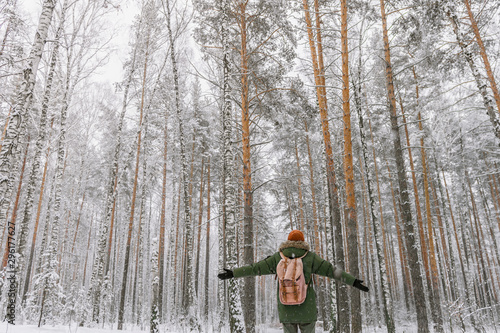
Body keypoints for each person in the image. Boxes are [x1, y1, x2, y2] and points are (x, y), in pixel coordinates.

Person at [218, 229, 369, 333]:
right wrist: (354, 281)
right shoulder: (310, 257)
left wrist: (233, 273)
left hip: (286, 309)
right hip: (307, 309)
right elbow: (333, 271)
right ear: (303, 242)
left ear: (288, 241)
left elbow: (255, 268)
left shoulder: (278, 257)